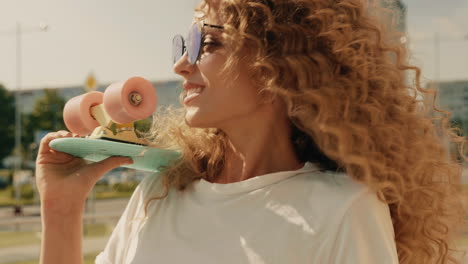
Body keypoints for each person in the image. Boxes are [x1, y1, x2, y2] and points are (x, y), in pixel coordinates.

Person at [36, 0, 466, 263]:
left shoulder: (343, 210)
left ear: (280, 61)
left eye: (206, 44)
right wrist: (60, 209)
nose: (180, 65)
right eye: (181, 45)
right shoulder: (160, 193)